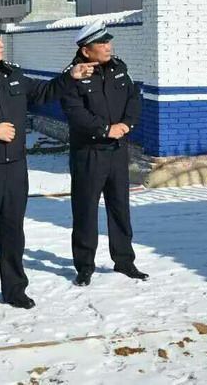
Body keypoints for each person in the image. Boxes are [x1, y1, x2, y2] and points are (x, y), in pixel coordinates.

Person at [0, 12, 96, 317]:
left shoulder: (12, 74)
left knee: (13, 233)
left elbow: (43, 93)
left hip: (15, 169)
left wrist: (71, 76)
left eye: (0, 39)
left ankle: (14, 290)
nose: (1, 44)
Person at [60, 20, 148, 286]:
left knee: (120, 207)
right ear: (86, 50)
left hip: (117, 151)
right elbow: (76, 114)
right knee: (85, 211)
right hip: (89, 153)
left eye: (108, 42)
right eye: (102, 43)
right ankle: (84, 266)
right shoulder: (73, 76)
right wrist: (106, 129)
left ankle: (124, 261)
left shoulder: (119, 69)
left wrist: (126, 125)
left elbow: (134, 100)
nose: (108, 47)